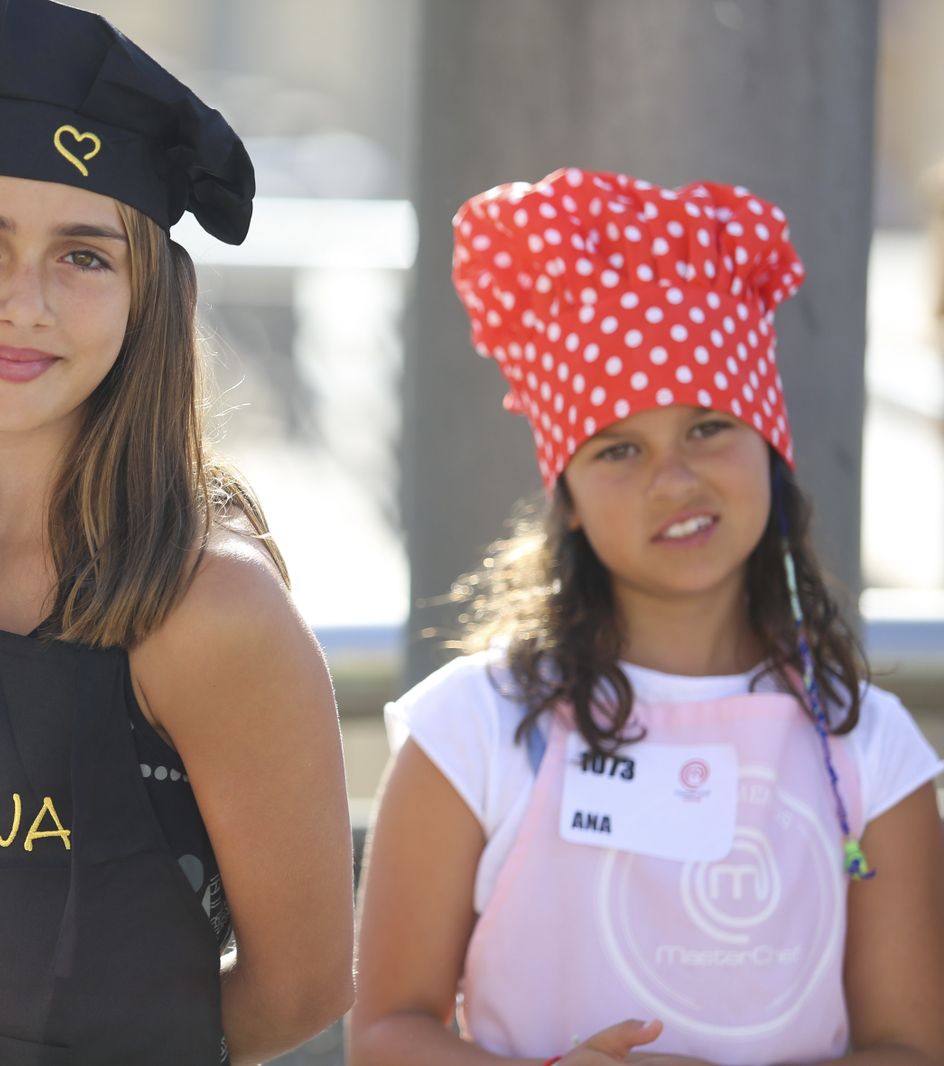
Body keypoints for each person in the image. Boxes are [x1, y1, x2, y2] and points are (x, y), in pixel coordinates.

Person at [0, 1, 355, 1061]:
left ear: (156, 293)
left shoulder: (212, 608)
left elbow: (301, 986)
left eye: (85, 257)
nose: (26, 303)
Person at [350, 169, 944, 1066]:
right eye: (620, 448)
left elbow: (911, 1043)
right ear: (571, 499)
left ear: (770, 451)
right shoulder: (472, 729)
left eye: (710, 427)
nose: (675, 479)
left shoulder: (870, 748)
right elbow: (387, 1032)